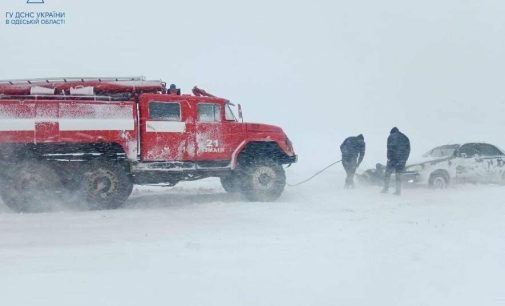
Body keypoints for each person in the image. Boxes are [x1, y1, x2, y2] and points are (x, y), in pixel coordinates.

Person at [382, 127, 410, 195]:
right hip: (402, 159)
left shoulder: (391, 136)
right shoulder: (405, 137)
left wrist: (389, 157)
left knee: (387, 174)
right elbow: (408, 149)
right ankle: (398, 191)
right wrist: (404, 159)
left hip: (393, 158)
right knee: (398, 175)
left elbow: (389, 148)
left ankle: (386, 188)